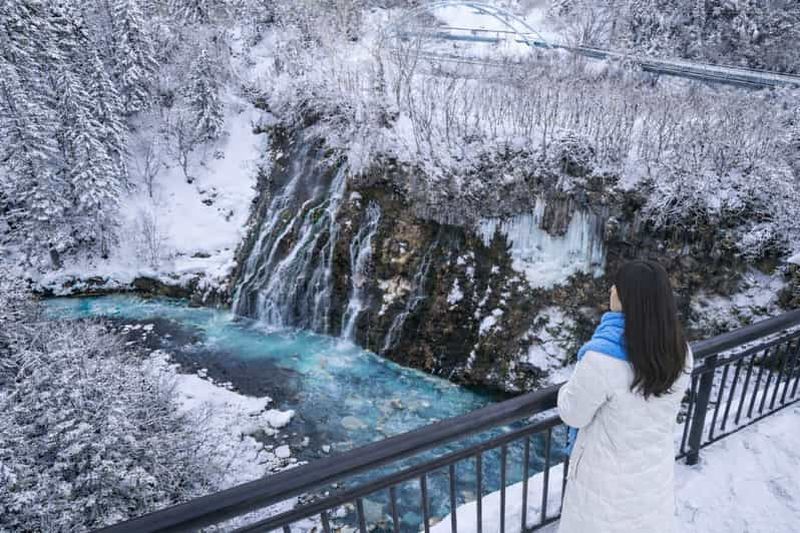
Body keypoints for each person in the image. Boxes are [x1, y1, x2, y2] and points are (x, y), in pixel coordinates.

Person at [557, 260, 693, 533]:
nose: (610, 290)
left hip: (604, 484)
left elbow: (572, 412)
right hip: (651, 475)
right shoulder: (680, 351)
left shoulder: (603, 358)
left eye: (616, 287)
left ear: (629, 298)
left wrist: (566, 386)